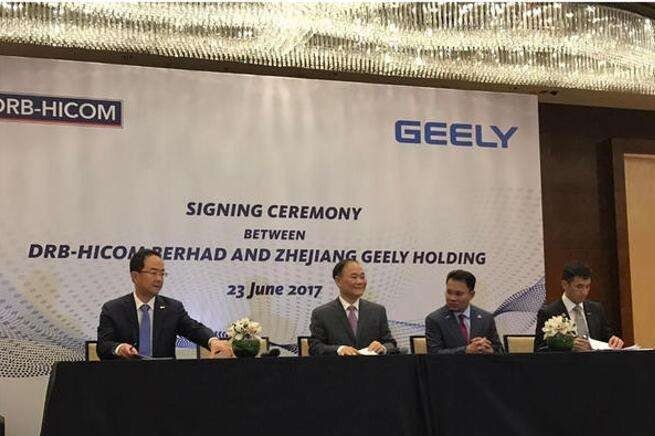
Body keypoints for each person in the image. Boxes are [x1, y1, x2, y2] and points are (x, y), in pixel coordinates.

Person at [96, 248, 232, 359]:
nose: (159, 279)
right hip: (125, 377)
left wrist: (212, 340)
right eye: (153, 273)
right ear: (135, 276)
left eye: (162, 274)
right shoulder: (113, 309)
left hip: (165, 377)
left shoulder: (173, 308)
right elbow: (103, 346)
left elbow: (194, 329)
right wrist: (119, 348)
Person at [309, 259, 397, 356]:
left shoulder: (377, 311)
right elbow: (314, 347)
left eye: (362, 277)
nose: (359, 282)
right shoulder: (322, 314)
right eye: (354, 277)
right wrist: (339, 350)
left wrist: (383, 348)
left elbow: (391, 344)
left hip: (371, 365)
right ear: (338, 281)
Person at [534, 261, 623, 352]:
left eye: (587, 286)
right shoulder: (549, 313)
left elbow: (607, 339)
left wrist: (614, 341)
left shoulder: (596, 309)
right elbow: (539, 350)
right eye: (579, 287)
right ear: (565, 285)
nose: (584, 292)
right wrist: (568, 346)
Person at [425, 269, 503, 354]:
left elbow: (499, 351)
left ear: (471, 295)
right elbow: (434, 354)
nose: (452, 298)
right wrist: (466, 350)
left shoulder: (486, 318)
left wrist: (489, 350)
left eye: (458, 294)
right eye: (449, 292)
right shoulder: (434, 319)